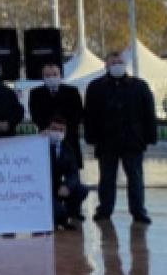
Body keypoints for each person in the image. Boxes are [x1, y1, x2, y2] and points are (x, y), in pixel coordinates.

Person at [84, 52, 157, 224]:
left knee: (135, 178)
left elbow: (149, 113)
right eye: (113, 62)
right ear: (106, 65)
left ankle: (138, 211)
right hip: (106, 141)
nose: (117, 65)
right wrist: (91, 137)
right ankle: (104, 210)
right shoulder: (95, 87)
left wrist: (150, 136)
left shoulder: (139, 86)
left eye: (120, 62)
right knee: (107, 178)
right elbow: (89, 115)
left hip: (132, 140)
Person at [29, 62, 85, 176]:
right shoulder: (35, 93)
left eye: (54, 74)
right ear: (43, 77)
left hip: (69, 139)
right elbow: (35, 115)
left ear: (60, 75)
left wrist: (62, 128)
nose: (51, 78)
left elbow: (78, 113)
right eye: (48, 75)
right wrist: (50, 129)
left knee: (73, 178)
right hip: (46, 139)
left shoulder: (72, 92)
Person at [44, 114, 88, 230]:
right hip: (43, 189)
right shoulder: (39, 145)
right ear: (48, 129)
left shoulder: (67, 147)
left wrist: (67, 186)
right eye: (54, 129)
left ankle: (71, 214)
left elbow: (74, 173)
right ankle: (60, 216)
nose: (57, 132)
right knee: (59, 211)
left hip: (59, 186)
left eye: (61, 130)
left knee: (81, 189)